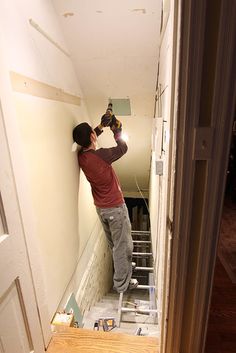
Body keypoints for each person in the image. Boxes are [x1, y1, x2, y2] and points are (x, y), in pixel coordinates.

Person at [72, 110, 138, 293]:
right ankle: (122, 285)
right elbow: (123, 148)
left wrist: (101, 126)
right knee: (123, 245)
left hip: (101, 209)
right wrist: (117, 130)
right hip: (115, 208)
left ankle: (124, 267)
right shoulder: (101, 155)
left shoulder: (82, 157)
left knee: (115, 245)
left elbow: (88, 140)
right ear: (92, 136)